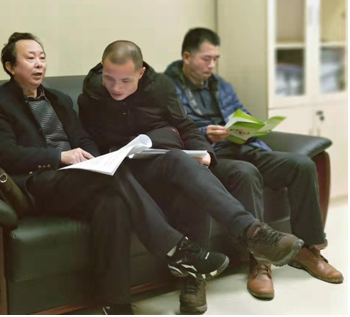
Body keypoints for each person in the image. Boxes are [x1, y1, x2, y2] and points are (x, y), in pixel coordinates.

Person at [0, 32, 234, 315]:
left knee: (113, 203)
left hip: (78, 178)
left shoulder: (59, 100)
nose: (39, 64)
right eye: (30, 58)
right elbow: (4, 153)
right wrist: (59, 157)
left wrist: (98, 160)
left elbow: (83, 139)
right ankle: (177, 250)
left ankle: (116, 303)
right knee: (113, 176)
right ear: (10, 66)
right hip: (39, 182)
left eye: (42, 57)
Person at [78, 40, 305, 314]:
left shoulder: (160, 88)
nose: (115, 87)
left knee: (181, 162)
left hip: (158, 161)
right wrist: (104, 157)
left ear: (141, 72)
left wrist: (206, 153)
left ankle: (253, 233)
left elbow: (185, 126)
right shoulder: (91, 96)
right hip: (123, 173)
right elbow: (85, 138)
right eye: (109, 78)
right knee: (172, 174)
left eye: (125, 80)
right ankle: (195, 265)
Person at [164, 27, 344, 299]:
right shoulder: (167, 88)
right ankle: (260, 262)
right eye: (206, 59)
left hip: (242, 146)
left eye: (215, 59)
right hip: (212, 156)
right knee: (247, 173)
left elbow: (243, 114)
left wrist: (250, 129)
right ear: (187, 57)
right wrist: (204, 133)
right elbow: (170, 129)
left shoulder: (221, 85)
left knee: (302, 165)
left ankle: (308, 250)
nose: (211, 65)